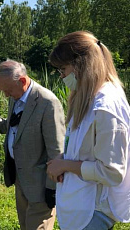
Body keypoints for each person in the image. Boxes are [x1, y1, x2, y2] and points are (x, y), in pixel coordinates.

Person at [47, 31, 130, 230]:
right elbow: (85, 148)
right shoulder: (88, 98)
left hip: (93, 212)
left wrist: (66, 165)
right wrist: (63, 160)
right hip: (82, 206)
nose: (62, 76)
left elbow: (111, 172)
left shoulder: (106, 106)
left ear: (80, 65)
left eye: (63, 69)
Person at [0, 60, 66, 230]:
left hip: (40, 184)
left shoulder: (47, 103)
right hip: (21, 179)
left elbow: (56, 150)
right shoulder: (16, 97)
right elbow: (14, 127)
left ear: (22, 81)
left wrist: (52, 188)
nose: (6, 95)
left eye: (8, 90)